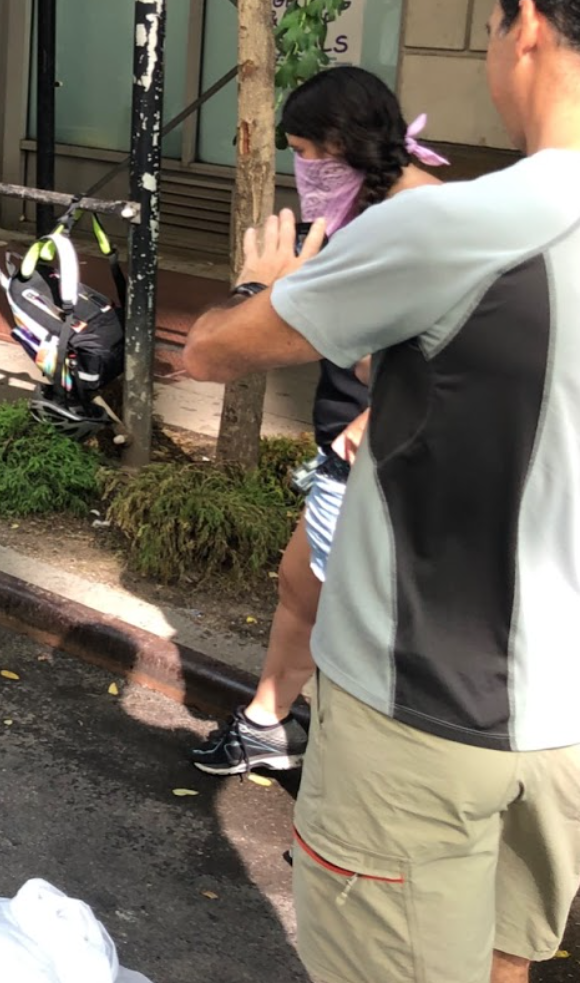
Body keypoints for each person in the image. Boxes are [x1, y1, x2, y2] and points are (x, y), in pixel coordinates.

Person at [183, 0, 580, 983]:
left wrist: (266, 285)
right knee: (505, 964)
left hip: (421, 713)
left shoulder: (462, 222)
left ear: (525, 27)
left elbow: (212, 354)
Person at [190, 67, 445, 775]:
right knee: (300, 586)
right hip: (349, 451)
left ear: (344, 145)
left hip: (378, 460)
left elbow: (212, 354)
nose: (300, 171)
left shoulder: (407, 227)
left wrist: (266, 296)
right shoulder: (379, 212)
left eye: (305, 152)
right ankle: (268, 722)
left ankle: (347, 779)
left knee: (358, 632)